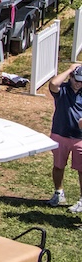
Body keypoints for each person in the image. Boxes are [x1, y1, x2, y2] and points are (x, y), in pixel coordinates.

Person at [47, 65, 82, 211]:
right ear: (71, 77)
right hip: (60, 134)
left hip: (80, 138)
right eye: (76, 80)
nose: (78, 84)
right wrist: (69, 69)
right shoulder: (63, 90)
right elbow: (53, 84)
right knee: (58, 166)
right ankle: (58, 192)